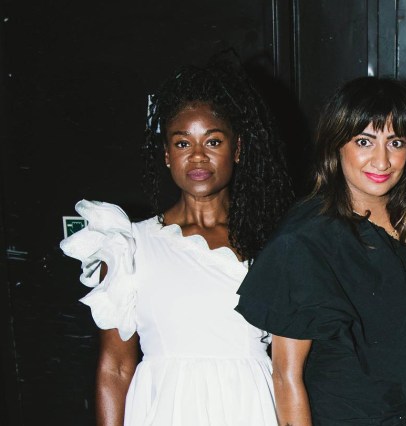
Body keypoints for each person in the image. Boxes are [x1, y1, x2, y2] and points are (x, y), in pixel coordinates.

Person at [236, 77, 406, 425]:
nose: (382, 161)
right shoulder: (307, 239)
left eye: (395, 142)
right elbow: (286, 376)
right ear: (336, 145)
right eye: (364, 141)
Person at [60, 58, 294, 425]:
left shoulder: (272, 243)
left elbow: (287, 369)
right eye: (183, 143)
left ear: (237, 149)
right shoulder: (129, 244)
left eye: (213, 141)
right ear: (167, 156)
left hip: (252, 409)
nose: (198, 156)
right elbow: (115, 367)